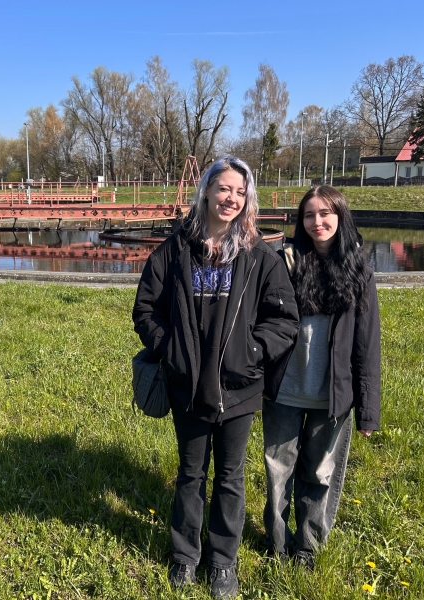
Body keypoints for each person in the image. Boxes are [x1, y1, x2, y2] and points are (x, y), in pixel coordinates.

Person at [133, 155, 299, 598]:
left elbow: (284, 319)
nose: (231, 198)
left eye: (240, 192)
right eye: (224, 188)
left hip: (240, 388)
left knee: (230, 476)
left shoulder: (260, 256)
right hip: (187, 384)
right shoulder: (174, 251)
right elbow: (146, 308)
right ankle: (185, 555)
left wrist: (254, 351)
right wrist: (169, 349)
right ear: (206, 190)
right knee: (190, 474)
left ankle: (223, 561)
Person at [262, 185, 381, 569]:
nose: (317, 222)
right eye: (309, 214)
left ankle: (308, 548)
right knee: (278, 472)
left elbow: (367, 345)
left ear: (341, 216)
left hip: (332, 396)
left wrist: (368, 412)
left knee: (320, 474)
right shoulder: (284, 262)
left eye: (325, 213)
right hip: (284, 389)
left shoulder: (360, 271)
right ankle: (277, 545)